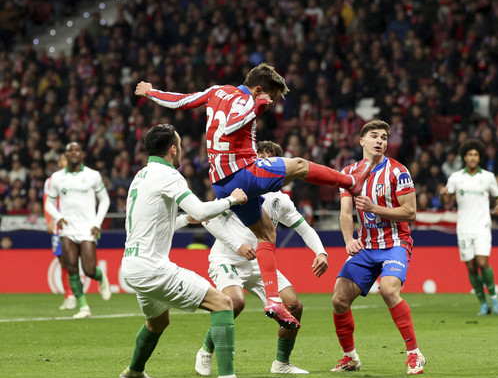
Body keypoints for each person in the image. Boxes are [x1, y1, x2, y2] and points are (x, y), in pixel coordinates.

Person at [135, 63, 372, 330]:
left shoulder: (217, 91)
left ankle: (272, 299)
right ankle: (352, 180)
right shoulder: (244, 101)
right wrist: (257, 108)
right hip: (244, 171)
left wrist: (151, 92)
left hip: (221, 181)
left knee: (266, 234)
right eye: (271, 96)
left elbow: (183, 101)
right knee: (301, 166)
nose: (272, 102)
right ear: (259, 89)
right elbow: (232, 125)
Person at [119, 124, 263, 378]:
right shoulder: (169, 175)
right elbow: (200, 207)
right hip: (152, 268)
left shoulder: (141, 176)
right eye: (180, 144)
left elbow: (157, 223)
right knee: (223, 303)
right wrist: (231, 200)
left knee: (158, 321)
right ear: (174, 149)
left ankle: (134, 372)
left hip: (132, 265)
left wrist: (186, 219)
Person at [194, 140, 328, 376]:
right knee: (234, 303)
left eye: (269, 159)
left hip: (260, 264)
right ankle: (205, 351)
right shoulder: (238, 186)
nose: (261, 164)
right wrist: (237, 245)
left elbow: (304, 227)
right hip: (228, 258)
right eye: (259, 158)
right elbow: (209, 220)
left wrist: (321, 252)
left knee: (294, 306)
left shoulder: (281, 200)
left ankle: (282, 363)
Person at [330, 120, 425, 375]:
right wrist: (349, 240)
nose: (380, 141)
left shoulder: (398, 171)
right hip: (366, 245)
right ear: (362, 141)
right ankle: (350, 357)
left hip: (395, 242)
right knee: (339, 300)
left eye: (384, 137)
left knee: (388, 290)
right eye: (374, 136)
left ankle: (415, 354)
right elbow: (346, 213)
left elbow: (411, 212)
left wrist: (375, 209)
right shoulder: (349, 173)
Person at [439, 139, 498, 316]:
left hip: (482, 225)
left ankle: (493, 296)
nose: (473, 158)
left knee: (482, 262)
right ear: (465, 157)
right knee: (470, 266)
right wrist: (442, 195)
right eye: (470, 154)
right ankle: (483, 303)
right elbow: (446, 202)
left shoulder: (488, 177)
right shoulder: (455, 178)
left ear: (480, 157)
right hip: (464, 227)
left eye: (476, 154)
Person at [44, 142, 111, 319]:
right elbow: (49, 203)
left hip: (88, 228)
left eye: (77, 150)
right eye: (70, 150)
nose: (73, 153)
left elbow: (104, 200)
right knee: (71, 267)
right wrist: (58, 217)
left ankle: (100, 276)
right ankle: (83, 307)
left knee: (88, 269)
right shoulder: (57, 178)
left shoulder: (93, 175)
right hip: (67, 229)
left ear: (82, 154)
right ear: (66, 155)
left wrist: (97, 222)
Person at [43, 153, 75, 310]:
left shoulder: (77, 179)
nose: (66, 161)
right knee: (63, 261)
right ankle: (69, 295)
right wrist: (49, 219)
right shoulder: (51, 181)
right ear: (60, 162)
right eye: (63, 159)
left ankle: (75, 293)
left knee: (74, 260)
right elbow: (46, 200)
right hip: (58, 226)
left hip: (75, 224)